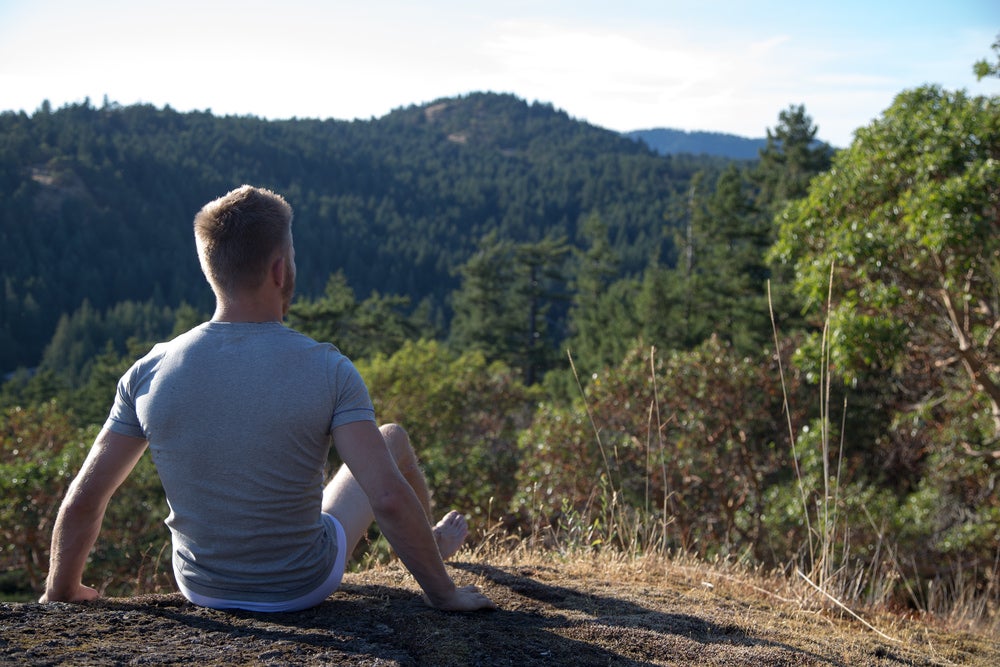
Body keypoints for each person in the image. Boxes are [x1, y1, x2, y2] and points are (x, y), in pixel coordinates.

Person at [39, 185, 496, 613]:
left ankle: (427, 548)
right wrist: (445, 595)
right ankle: (432, 553)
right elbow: (388, 498)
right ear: (280, 269)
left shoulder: (150, 370)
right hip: (304, 584)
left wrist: (61, 591)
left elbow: (86, 498)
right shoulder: (329, 368)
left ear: (211, 270)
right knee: (390, 437)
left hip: (200, 586)